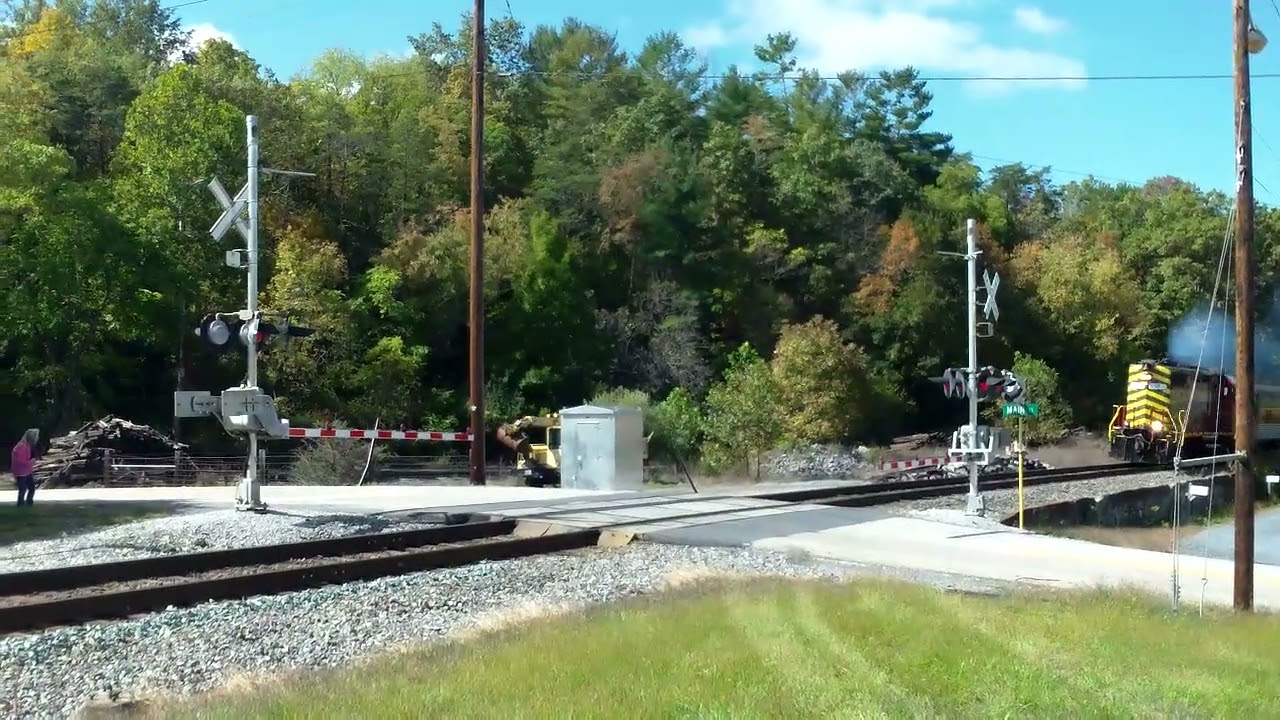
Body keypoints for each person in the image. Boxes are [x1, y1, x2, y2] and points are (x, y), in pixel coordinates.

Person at [11, 428, 38, 507]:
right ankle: (21, 505)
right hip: (21, 472)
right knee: (23, 490)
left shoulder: (26, 445)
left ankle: (28, 504)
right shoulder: (21, 446)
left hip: (26, 471)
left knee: (31, 488)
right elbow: (20, 461)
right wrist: (31, 462)